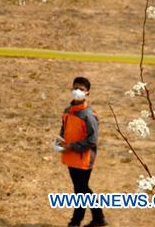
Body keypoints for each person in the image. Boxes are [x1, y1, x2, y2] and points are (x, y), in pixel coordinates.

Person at [57, 76, 107, 227]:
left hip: (84, 158)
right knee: (81, 189)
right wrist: (59, 142)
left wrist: (70, 147)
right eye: (75, 88)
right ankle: (98, 219)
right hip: (71, 157)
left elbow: (92, 141)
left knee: (81, 189)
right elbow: (64, 129)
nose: (77, 91)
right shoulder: (68, 111)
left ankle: (76, 221)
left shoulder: (89, 115)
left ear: (88, 93)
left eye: (82, 89)